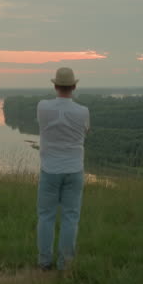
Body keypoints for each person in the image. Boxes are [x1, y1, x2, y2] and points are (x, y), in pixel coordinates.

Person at [36, 66, 90, 272]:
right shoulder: (83, 111)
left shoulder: (42, 107)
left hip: (49, 170)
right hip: (74, 170)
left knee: (46, 216)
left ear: (55, 86)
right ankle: (65, 264)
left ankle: (44, 262)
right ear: (74, 86)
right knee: (70, 218)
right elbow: (86, 132)